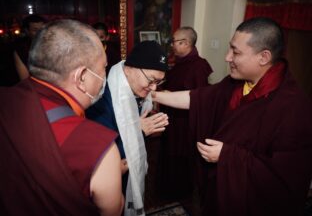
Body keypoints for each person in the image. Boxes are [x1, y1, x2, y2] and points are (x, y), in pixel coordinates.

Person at [152, 17, 312, 216]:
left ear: (263, 57)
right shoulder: (236, 83)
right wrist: (153, 94)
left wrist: (226, 156)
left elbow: (286, 177)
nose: (227, 57)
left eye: (235, 52)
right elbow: (198, 98)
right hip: (220, 191)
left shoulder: (293, 106)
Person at [0, 19, 124, 216]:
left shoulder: (7, 100)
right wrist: (112, 172)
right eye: (103, 68)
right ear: (81, 76)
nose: (104, 75)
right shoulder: (97, 147)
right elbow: (113, 211)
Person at [86, 40, 169, 215]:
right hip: (109, 175)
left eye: (159, 82)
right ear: (130, 68)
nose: (153, 88)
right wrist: (137, 130)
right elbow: (97, 151)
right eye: (152, 80)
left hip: (128, 167)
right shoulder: (101, 95)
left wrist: (139, 129)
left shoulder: (136, 89)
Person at [157, 26, 213, 201]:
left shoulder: (199, 66)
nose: (172, 45)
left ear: (186, 43)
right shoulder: (180, 62)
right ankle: (166, 188)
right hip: (172, 118)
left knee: (181, 157)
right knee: (168, 153)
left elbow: (199, 99)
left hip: (184, 122)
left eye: (175, 41)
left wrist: (167, 95)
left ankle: (180, 192)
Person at [13, 14, 46, 80]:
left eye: (42, 29)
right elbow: (25, 79)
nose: (40, 33)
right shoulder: (22, 50)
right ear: (27, 31)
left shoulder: (54, 45)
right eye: (35, 30)